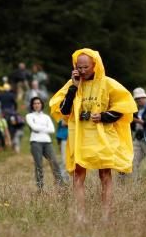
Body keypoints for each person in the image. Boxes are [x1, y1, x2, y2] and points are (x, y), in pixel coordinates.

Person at [49, 48, 135, 220]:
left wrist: (103, 116)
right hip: (80, 136)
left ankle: (106, 216)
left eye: (85, 67)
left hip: (102, 137)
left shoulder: (107, 83)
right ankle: (80, 216)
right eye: (78, 67)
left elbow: (124, 107)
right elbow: (64, 110)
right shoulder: (72, 84)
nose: (81, 70)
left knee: (104, 174)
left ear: (95, 65)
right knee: (78, 175)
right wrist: (74, 87)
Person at [25, 96, 66, 190]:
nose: (36, 105)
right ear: (32, 105)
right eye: (35, 103)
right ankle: (40, 187)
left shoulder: (46, 117)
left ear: (41, 104)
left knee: (54, 162)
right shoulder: (29, 116)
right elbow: (33, 128)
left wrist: (39, 127)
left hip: (47, 142)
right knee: (39, 164)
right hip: (35, 142)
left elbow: (52, 130)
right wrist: (44, 128)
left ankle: (60, 184)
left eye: (38, 103)